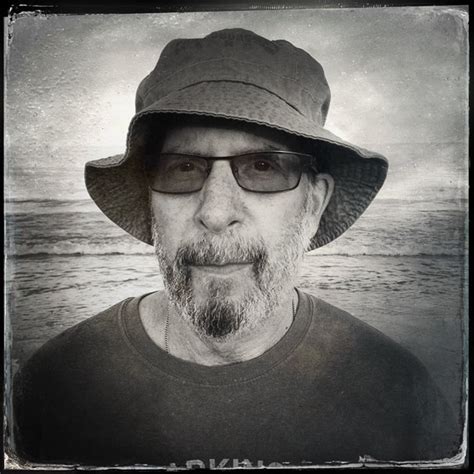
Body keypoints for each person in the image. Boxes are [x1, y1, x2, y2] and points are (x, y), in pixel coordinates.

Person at [12, 28, 460, 467]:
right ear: (151, 203)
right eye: (184, 167)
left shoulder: (401, 397)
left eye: (263, 166)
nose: (215, 212)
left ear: (315, 204)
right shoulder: (54, 389)